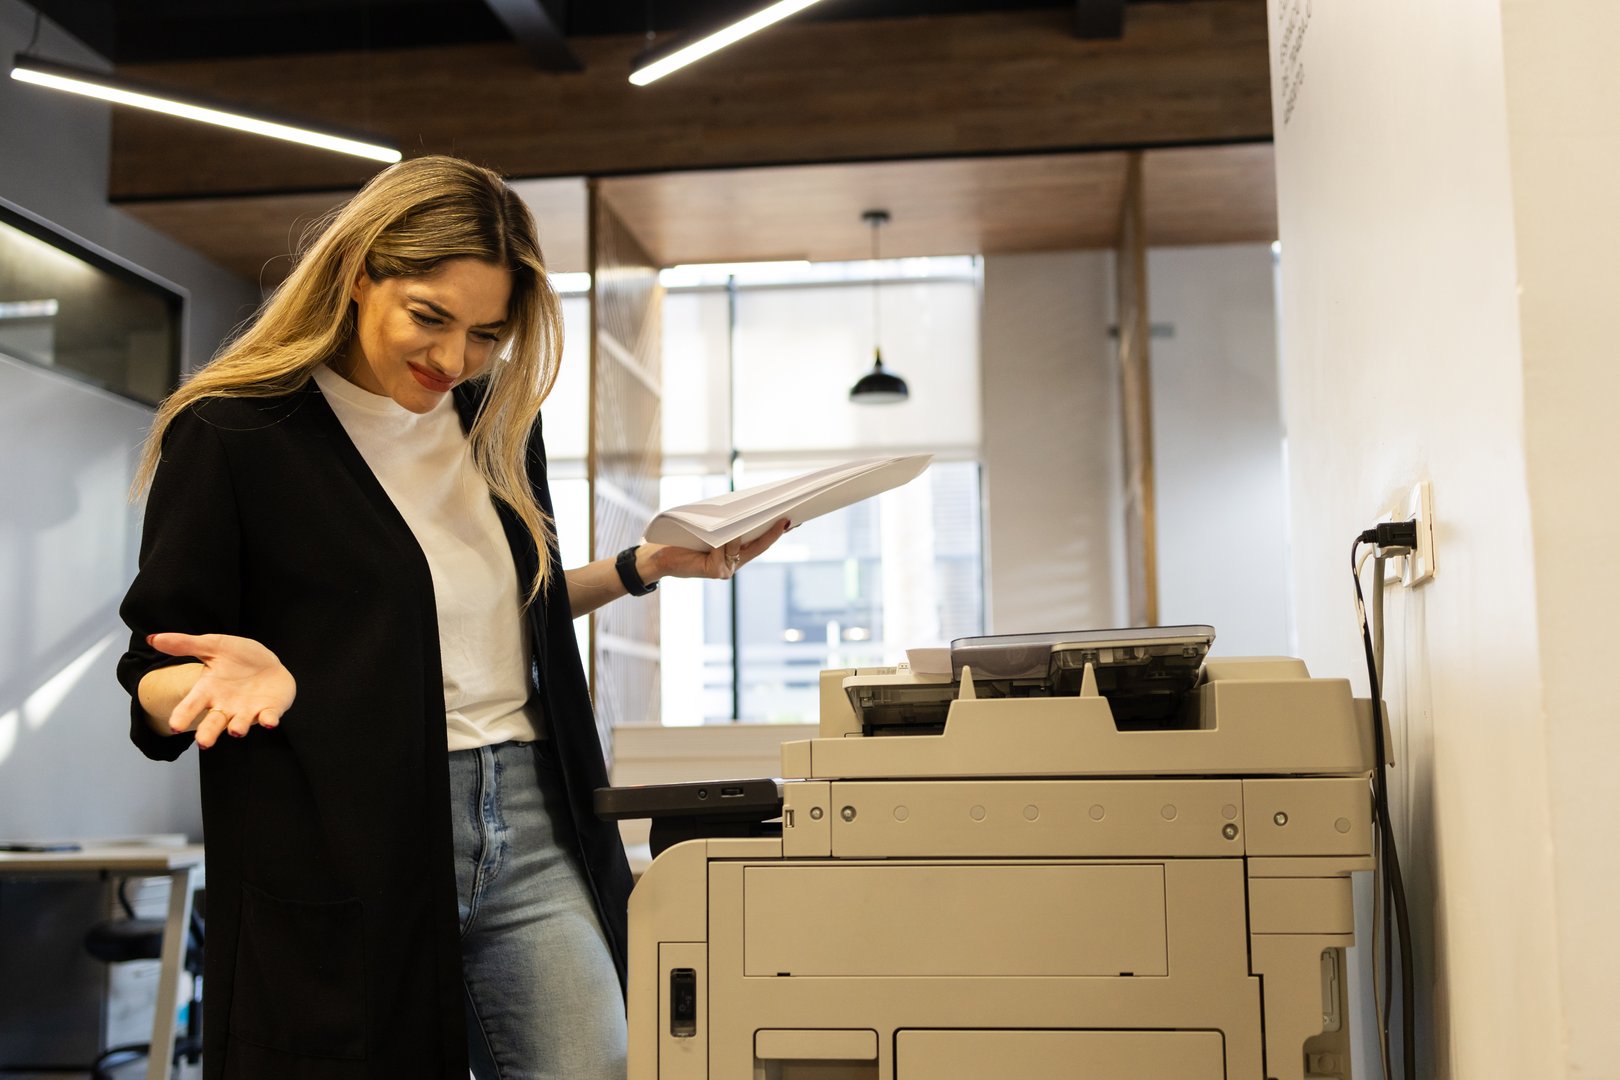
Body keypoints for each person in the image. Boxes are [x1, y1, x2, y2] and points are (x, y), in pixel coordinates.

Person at [115, 155, 785, 1080]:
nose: (452, 358)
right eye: (429, 317)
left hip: (531, 819)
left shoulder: (496, 418)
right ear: (359, 275)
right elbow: (149, 670)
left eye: (485, 333)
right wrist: (202, 685)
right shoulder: (238, 433)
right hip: (351, 836)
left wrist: (644, 568)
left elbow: (496, 611)